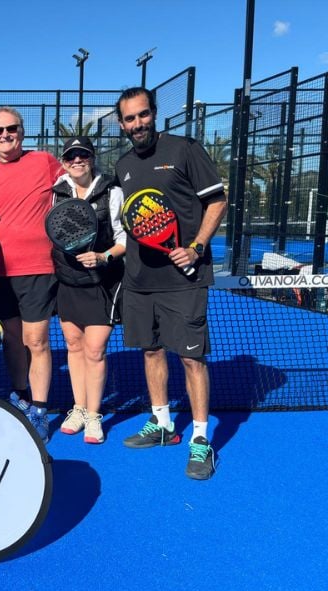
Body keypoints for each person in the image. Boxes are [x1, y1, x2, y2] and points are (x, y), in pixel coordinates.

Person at [114, 87, 227, 480]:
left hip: (184, 278)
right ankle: (161, 425)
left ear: (154, 114)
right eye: (130, 118)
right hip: (140, 279)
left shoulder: (185, 149)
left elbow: (217, 201)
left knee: (192, 358)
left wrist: (196, 247)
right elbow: (132, 221)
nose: (137, 124)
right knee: (150, 351)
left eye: (143, 115)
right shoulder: (123, 164)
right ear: (121, 123)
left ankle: (200, 440)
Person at [0, 107, 63, 443]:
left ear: (22, 131)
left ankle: (40, 410)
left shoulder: (45, 162)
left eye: (11, 128)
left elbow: (74, 191)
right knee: (12, 340)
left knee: (36, 341)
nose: (5, 135)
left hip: (39, 269)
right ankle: (20, 397)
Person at [51, 136, 126, 444]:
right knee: (73, 346)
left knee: (94, 350)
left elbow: (125, 240)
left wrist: (103, 256)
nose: (77, 160)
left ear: (92, 158)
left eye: (83, 155)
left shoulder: (112, 191)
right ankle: (78, 408)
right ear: (64, 161)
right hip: (67, 281)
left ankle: (94, 416)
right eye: (71, 156)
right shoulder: (57, 191)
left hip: (102, 284)